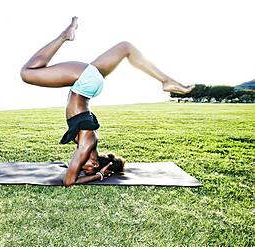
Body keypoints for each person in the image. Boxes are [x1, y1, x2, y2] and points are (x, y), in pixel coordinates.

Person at [20, 17, 194, 187]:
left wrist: (98, 172)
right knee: (27, 73)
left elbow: (74, 174)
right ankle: (63, 37)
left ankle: (165, 80)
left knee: (126, 48)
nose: (81, 167)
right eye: (85, 169)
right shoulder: (87, 144)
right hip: (83, 82)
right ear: (95, 164)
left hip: (89, 84)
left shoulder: (90, 140)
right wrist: (99, 175)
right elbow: (69, 182)